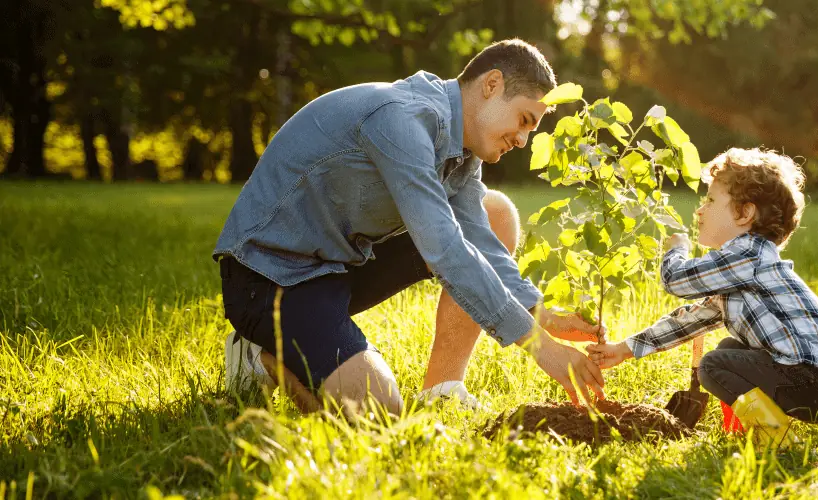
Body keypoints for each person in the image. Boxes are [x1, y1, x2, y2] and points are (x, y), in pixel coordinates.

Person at [213, 39, 605, 415]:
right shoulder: (402, 119)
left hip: (338, 265)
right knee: (377, 411)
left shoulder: (463, 151)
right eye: (523, 120)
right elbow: (445, 248)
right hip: (270, 278)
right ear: (492, 84)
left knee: (494, 213)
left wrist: (541, 314)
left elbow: (480, 241)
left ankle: (442, 390)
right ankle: (257, 358)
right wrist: (542, 348)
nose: (522, 140)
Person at [586, 148, 818, 441]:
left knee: (712, 365)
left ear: (745, 213)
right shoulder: (741, 269)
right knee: (728, 348)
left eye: (710, 200)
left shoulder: (748, 254)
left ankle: (776, 438)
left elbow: (676, 280)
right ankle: (743, 429)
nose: (700, 210)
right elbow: (689, 321)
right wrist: (624, 349)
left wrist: (677, 249)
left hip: (811, 380)